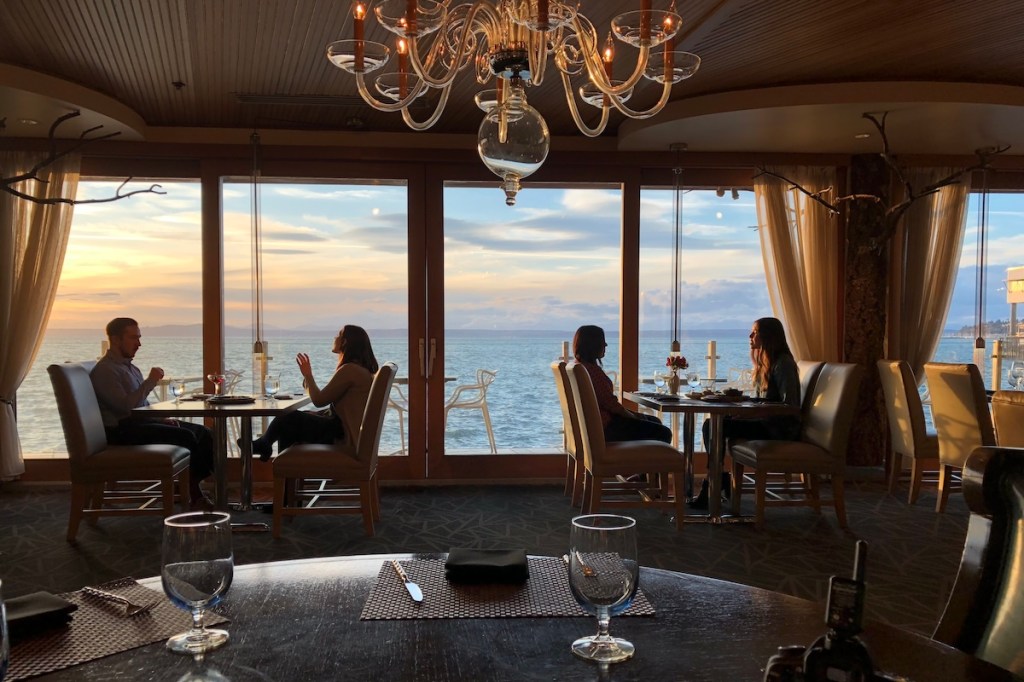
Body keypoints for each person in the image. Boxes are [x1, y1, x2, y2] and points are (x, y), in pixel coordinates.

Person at [90, 317, 215, 510]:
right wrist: (150, 381)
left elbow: (142, 405)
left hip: (137, 424)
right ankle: (192, 492)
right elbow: (126, 408)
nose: (139, 344)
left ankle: (188, 485)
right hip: (120, 430)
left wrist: (161, 419)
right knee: (186, 436)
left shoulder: (130, 368)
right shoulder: (106, 370)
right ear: (115, 340)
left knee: (204, 433)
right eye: (133, 338)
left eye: (139, 338)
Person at [692, 316, 801, 509]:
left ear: (768, 336)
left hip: (778, 429)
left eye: (755, 332)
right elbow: (765, 401)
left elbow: (790, 406)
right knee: (717, 422)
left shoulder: (782, 364)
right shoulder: (767, 362)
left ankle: (715, 481)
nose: (750, 336)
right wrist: (741, 405)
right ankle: (718, 479)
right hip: (767, 423)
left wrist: (751, 412)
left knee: (713, 425)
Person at [248, 324, 378, 460]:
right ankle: (277, 458)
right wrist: (307, 379)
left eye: (339, 335)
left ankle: (268, 447)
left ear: (345, 342)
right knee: (291, 422)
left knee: (288, 417)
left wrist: (308, 375)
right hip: (342, 431)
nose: (335, 337)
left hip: (341, 436)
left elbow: (319, 401)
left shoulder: (350, 370)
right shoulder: (360, 370)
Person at [573, 325, 672, 444]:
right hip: (607, 428)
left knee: (654, 421)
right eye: (602, 342)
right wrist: (633, 415)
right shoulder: (592, 371)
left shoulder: (580, 367)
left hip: (598, 425)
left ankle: (643, 460)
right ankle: (644, 461)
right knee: (664, 433)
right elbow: (611, 405)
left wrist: (635, 415)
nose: (605, 345)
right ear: (593, 345)